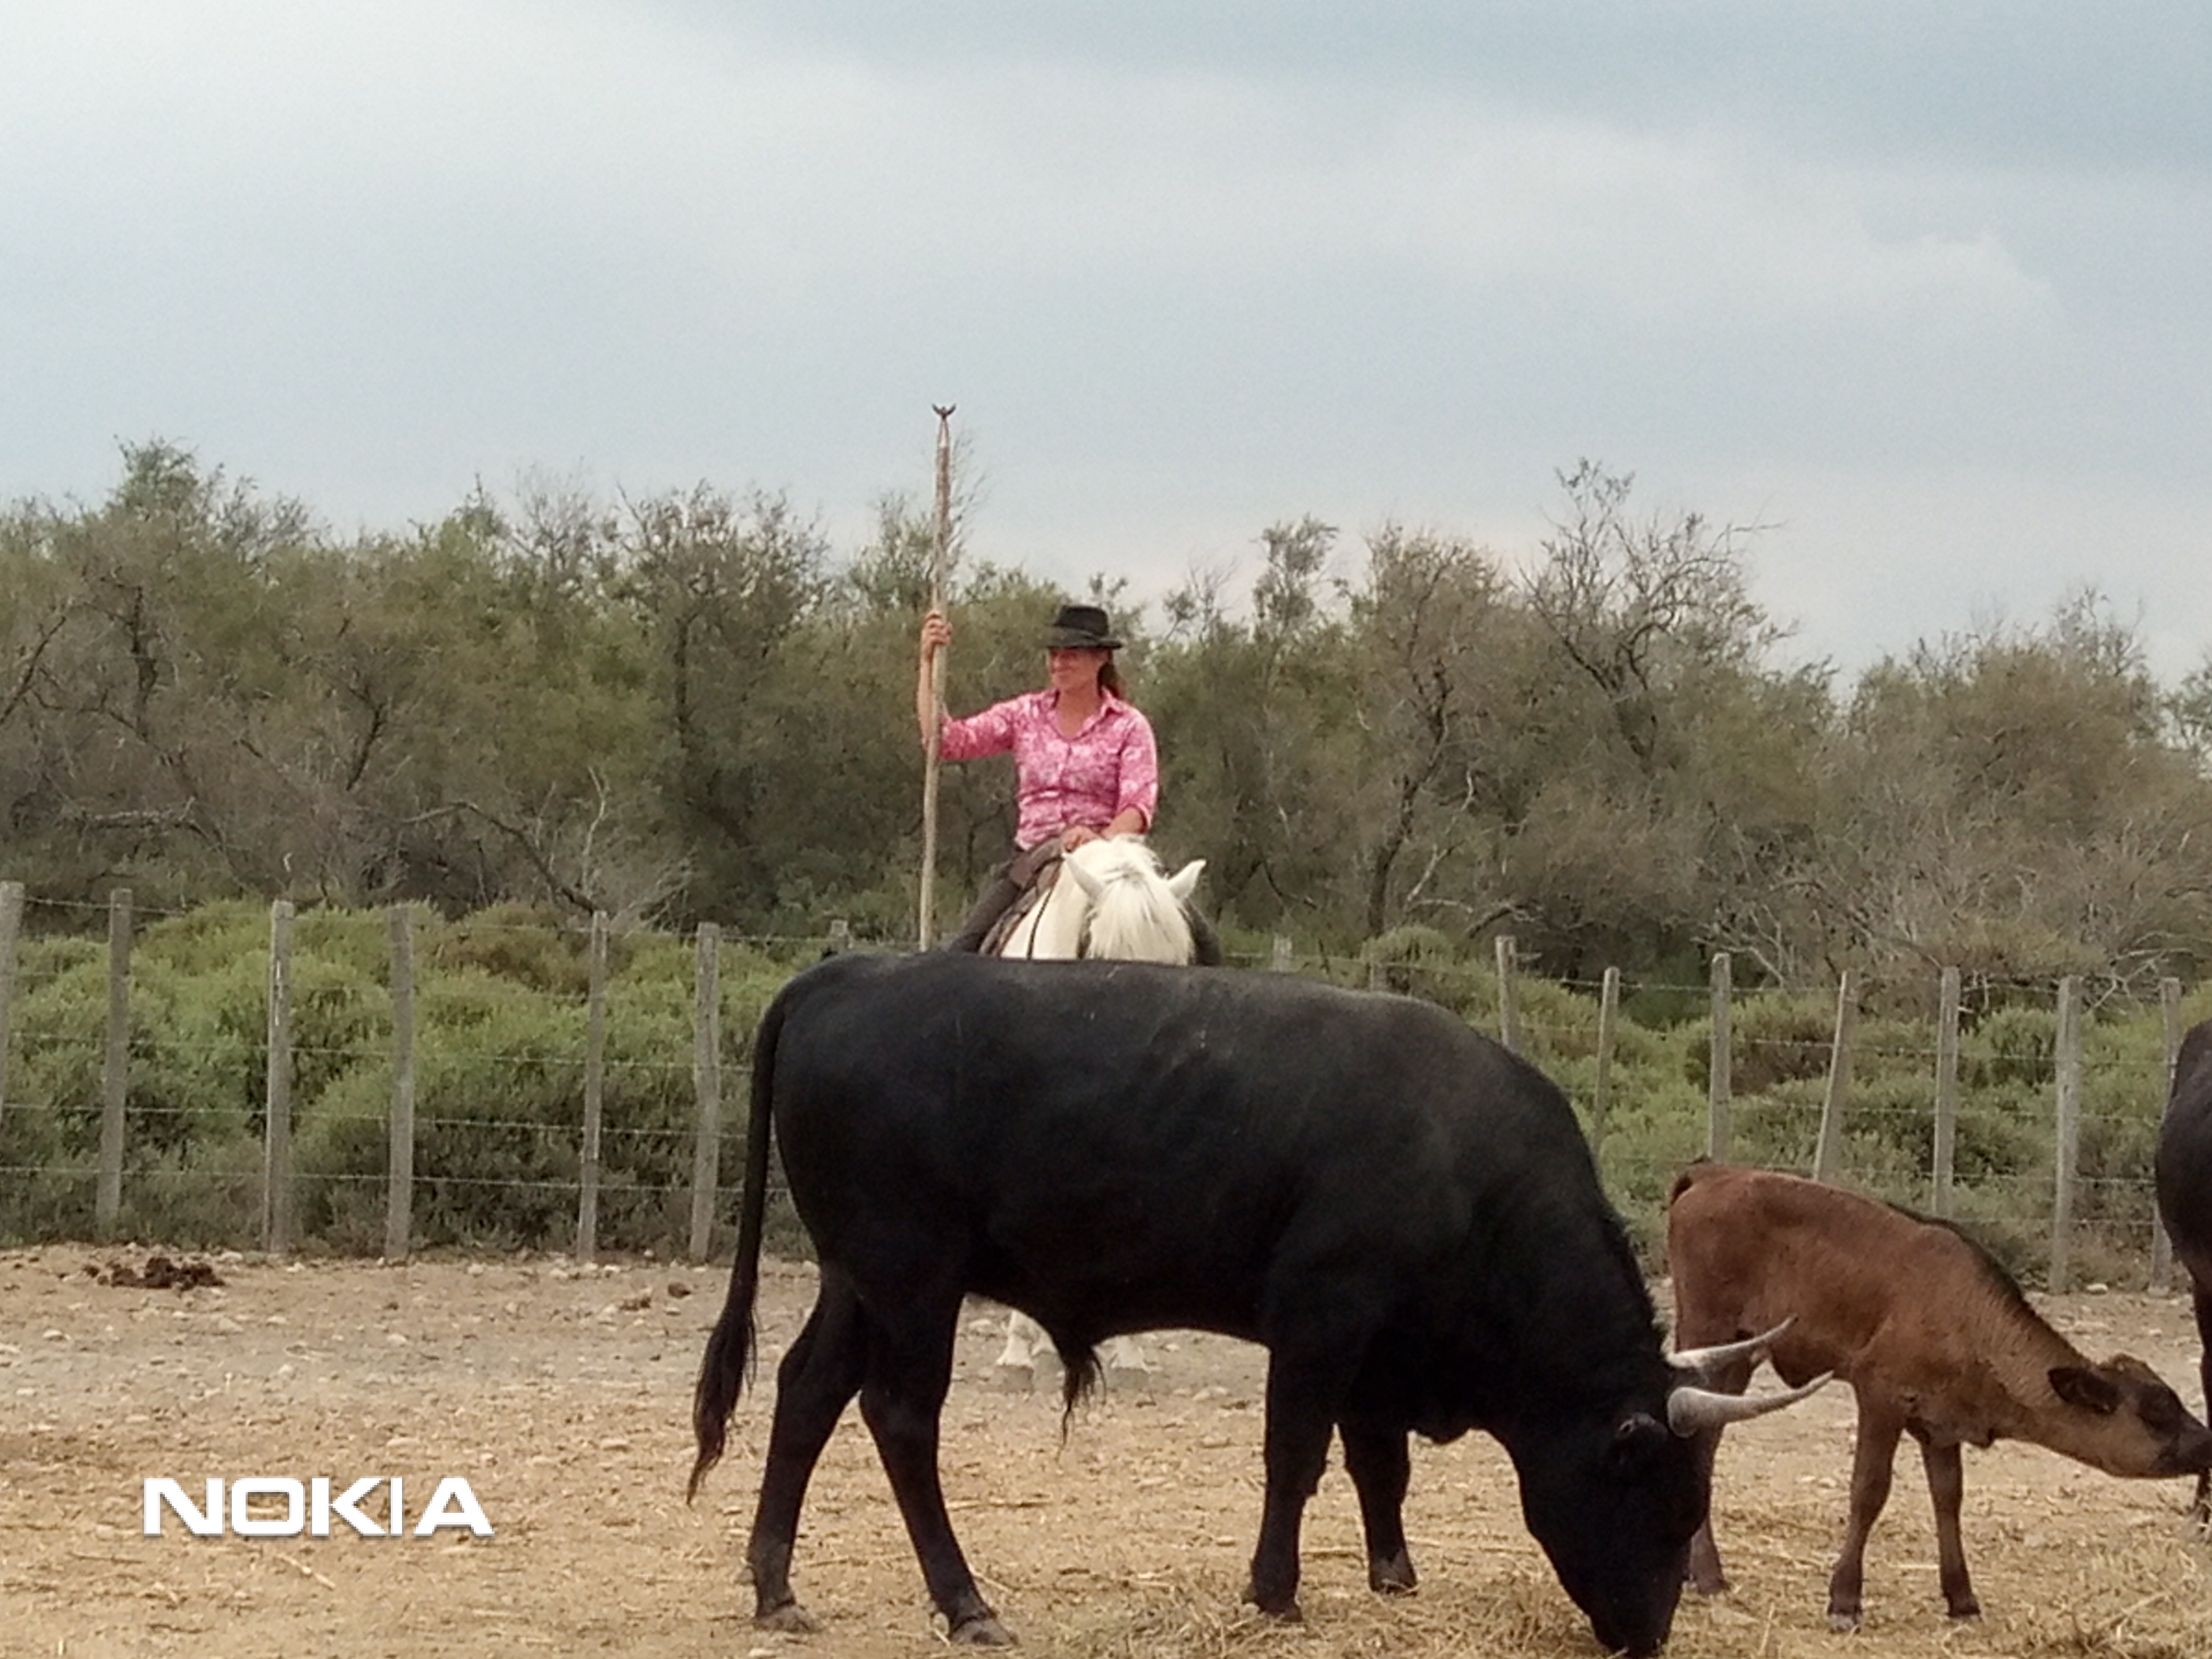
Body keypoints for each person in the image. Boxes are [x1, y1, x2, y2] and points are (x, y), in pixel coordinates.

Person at [917, 601, 1217, 960]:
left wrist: (1099, 839)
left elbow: (1137, 806)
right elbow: (947, 742)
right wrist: (928, 663)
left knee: (1205, 944)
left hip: (1111, 857)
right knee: (962, 954)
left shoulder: (1129, 726)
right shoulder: (1024, 714)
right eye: (1054, 654)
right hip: (1034, 859)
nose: (1059, 663)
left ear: (1101, 658)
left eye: (1071, 654)